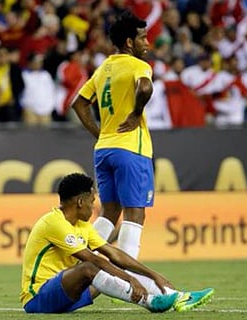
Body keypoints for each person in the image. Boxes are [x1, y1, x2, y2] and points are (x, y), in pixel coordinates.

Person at [20, 172, 214, 314]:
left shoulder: (82, 226)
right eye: (91, 200)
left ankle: (176, 296)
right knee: (90, 267)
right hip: (38, 298)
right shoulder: (54, 222)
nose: (93, 205)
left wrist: (153, 275)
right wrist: (130, 279)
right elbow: (92, 261)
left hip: (66, 297)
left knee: (112, 271)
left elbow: (115, 255)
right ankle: (150, 302)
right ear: (80, 202)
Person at [71, 11, 154, 259]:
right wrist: (136, 113)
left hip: (104, 148)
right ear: (129, 42)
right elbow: (146, 87)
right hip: (131, 148)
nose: (147, 43)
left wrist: (100, 133)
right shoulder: (139, 65)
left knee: (109, 212)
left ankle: (79, 262)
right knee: (135, 213)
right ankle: (129, 277)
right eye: (143, 38)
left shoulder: (102, 69)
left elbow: (79, 103)